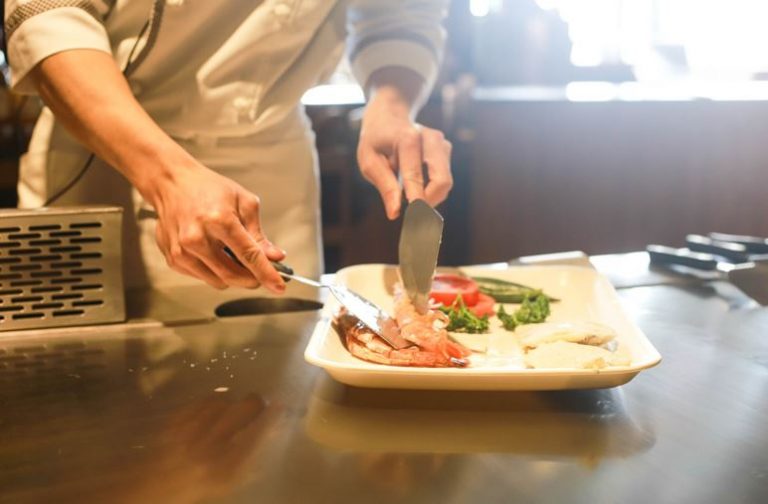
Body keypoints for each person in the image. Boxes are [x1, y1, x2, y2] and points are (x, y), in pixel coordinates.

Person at [3, 0, 453, 292]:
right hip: (108, 150)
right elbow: (48, 15)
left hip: (274, 165)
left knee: (278, 404)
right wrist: (167, 178)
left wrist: (392, 106)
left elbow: (400, 14)